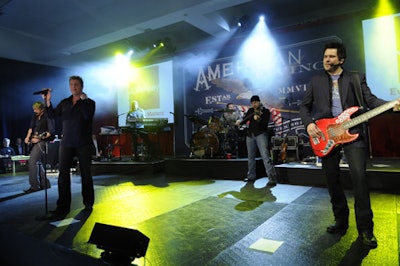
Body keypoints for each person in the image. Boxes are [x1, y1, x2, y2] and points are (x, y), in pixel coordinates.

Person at [299, 41, 400, 249]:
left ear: (341, 59)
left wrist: (391, 105)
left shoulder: (355, 77)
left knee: (359, 179)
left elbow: (370, 100)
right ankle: (341, 221)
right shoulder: (315, 81)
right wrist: (309, 124)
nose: (327, 60)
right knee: (332, 179)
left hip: (352, 132)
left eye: (331, 57)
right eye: (325, 56)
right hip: (326, 135)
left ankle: (366, 230)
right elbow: (304, 106)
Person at [43, 75, 96, 218]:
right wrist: (48, 101)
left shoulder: (90, 103)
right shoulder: (65, 102)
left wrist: (83, 101)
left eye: (76, 84)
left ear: (82, 86)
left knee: (86, 174)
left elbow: (87, 116)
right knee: (63, 176)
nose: (74, 86)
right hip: (66, 142)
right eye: (71, 84)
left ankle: (88, 203)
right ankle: (63, 206)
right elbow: (52, 115)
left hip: (83, 142)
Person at [237, 95, 278, 187]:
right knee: (250, 157)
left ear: (259, 102)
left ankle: (272, 178)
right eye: (252, 103)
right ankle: (251, 176)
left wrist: (259, 119)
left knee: (265, 156)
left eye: (255, 102)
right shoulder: (251, 111)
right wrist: (240, 122)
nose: (253, 104)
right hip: (250, 135)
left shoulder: (265, 111)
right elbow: (245, 119)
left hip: (261, 134)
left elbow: (264, 124)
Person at [23, 101, 55, 193]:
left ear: (42, 109)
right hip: (35, 141)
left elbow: (51, 132)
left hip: (43, 142)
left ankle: (34, 186)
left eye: (36, 109)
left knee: (32, 161)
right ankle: (46, 184)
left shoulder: (48, 117)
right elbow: (31, 127)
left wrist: (39, 139)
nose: (34, 111)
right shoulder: (35, 116)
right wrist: (27, 137)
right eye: (34, 109)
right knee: (37, 162)